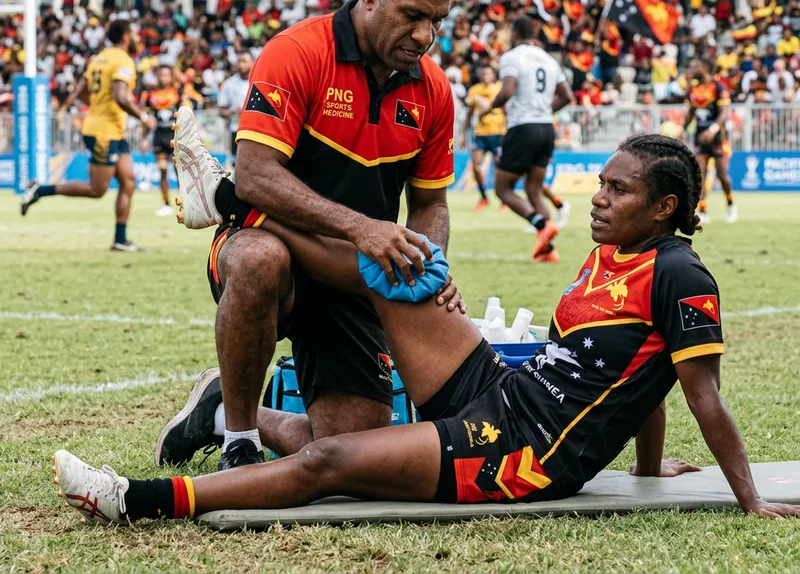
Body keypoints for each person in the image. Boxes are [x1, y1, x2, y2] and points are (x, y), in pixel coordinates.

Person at [53, 134, 800, 525]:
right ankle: (230, 202)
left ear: (665, 208)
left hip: (520, 450)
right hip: (500, 390)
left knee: (333, 460)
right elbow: (631, 378)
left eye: (617, 189)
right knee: (403, 268)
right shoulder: (607, 257)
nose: (598, 198)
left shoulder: (681, 275)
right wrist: (642, 470)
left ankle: (136, 499)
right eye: (601, 184)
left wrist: (748, 498)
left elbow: (698, 391)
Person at [159, 0, 464, 472]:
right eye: (413, 15)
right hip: (268, 245)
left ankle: (215, 413)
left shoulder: (434, 90)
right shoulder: (296, 52)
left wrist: (429, 262)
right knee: (258, 259)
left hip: (351, 276)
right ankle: (241, 441)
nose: (426, 36)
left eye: (437, 20)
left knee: (358, 451)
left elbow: (430, 204)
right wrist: (361, 228)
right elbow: (255, 172)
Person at [20, 20, 155, 251]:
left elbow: (80, 90)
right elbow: (121, 97)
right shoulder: (122, 60)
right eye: (134, 33)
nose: (137, 37)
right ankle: (39, 190)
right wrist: (144, 118)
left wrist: (98, 107)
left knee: (129, 181)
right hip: (104, 133)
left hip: (109, 129)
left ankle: (120, 240)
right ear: (124, 36)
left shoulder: (99, 58)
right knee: (97, 189)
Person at [481, 16, 573, 263]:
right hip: (546, 128)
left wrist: (489, 108)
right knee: (534, 190)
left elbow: (508, 90)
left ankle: (541, 225)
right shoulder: (549, 59)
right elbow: (566, 96)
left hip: (522, 127)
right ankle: (548, 250)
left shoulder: (512, 56)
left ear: (514, 33)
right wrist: (542, 111)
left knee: (502, 188)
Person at [682, 58, 736, 224]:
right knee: (700, 174)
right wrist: (682, 129)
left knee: (722, 175)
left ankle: (730, 205)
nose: (692, 69)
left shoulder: (718, 87)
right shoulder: (694, 89)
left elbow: (725, 111)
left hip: (717, 139)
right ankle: (703, 211)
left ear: (705, 67)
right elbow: (691, 111)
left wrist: (712, 129)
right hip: (700, 139)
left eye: (695, 65)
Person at [140, 65, 186, 216]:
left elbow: (184, 113)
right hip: (159, 136)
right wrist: (144, 138)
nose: (163, 78)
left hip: (174, 135)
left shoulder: (177, 92)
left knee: (178, 171)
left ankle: (184, 204)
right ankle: (166, 204)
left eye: (166, 75)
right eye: (161, 75)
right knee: (162, 169)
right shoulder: (150, 94)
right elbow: (146, 118)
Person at [462, 65, 506, 211]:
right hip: (480, 133)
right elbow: (470, 112)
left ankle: (504, 200)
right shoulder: (475, 90)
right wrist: (464, 132)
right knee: (475, 165)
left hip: (498, 132)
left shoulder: (500, 88)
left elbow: (506, 109)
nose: (486, 75)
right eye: (484, 73)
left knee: (500, 166)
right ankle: (484, 197)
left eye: (489, 73)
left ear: (494, 75)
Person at [216, 52, 254, 169]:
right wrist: (233, 113)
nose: (241, 64)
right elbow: (221, 110)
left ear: (253, 63)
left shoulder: (259, 81)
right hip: (236, 131)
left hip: (256, 130)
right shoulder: (229, 84)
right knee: (237, 165)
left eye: (244, 61)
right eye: (239, 61)